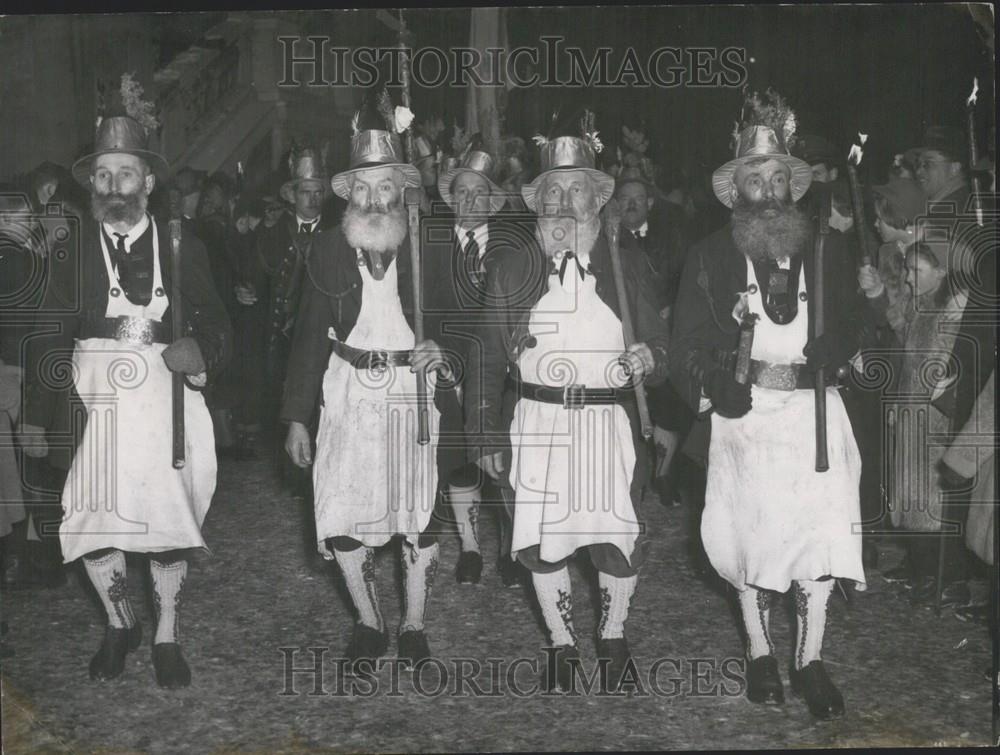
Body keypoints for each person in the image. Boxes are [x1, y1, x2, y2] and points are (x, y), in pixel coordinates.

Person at [18, 89, 232, 688]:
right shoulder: (74, 249)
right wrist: (37, 414)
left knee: (165, 521)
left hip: (164, 404)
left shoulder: (181, 242)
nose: (115, 186)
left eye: (126, 174)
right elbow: (45, 336)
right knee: (91, 520)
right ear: (94, 185)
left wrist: (203, 352)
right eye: (104, 175)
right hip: (95, 406)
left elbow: (219, 325)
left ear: (147, 182)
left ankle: (167, 634)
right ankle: (119, 622)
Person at [671, 89, 866, 719]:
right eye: (757, 179)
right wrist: (713, 381)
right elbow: (687, 345)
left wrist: (841, 341)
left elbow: (854, 320)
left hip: (815, 413)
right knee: (752, 538)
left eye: (781, 178)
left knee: (819, 536)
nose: (771, 190)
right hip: (745, 416)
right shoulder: (707, 256)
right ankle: (758, 650)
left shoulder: (826, 250)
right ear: (737, 190)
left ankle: (809, 659)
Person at [465, 111, 671, 693]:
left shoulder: (626, 266)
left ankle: (613, 636)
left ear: (595, 200)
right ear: (538, 204)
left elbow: (662, 344)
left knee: (616, 537)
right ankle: (560, 642)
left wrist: (650, 357)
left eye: (576, 189)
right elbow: (483, 357)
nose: (563, 201)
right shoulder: (510, 268)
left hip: (608, 424)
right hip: (537, 422)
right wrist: (482, 437)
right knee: (541, 538)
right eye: (552, 191)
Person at [281, 95, 461, 671]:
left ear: (401, 190)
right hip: (348, 391)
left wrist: (446, 349)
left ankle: (413, 621)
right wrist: (295, 417)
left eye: (385, 187)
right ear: (348, 195)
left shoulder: (426, 243)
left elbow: (461, 318)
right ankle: (366, 618)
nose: (374, 198)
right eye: (363, 188)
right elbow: (309, 335)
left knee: (415, 511)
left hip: (410, 393)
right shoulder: (328, 250)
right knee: (339, 509)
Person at [429, 137, 525, 586]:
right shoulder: (429, 249)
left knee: (505, 461)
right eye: (461, 192)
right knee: (459, 460)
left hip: (502, 373)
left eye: (478, 193)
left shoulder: (513, 250)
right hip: (450, 371)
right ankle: (468, 545)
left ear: (492, 201)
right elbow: (423, 309)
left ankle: (511, 544)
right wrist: (444, 363)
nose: (468, 201)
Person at [613, 169, 693, 506]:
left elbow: (685, 282)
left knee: (668, 410)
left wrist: (671, 311)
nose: (631, 204)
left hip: (665, 335)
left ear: (649, 202)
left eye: (638, 198)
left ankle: (665, 475)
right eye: (624, 198)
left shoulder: (672, 238)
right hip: (624, 338)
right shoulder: (608, 241)